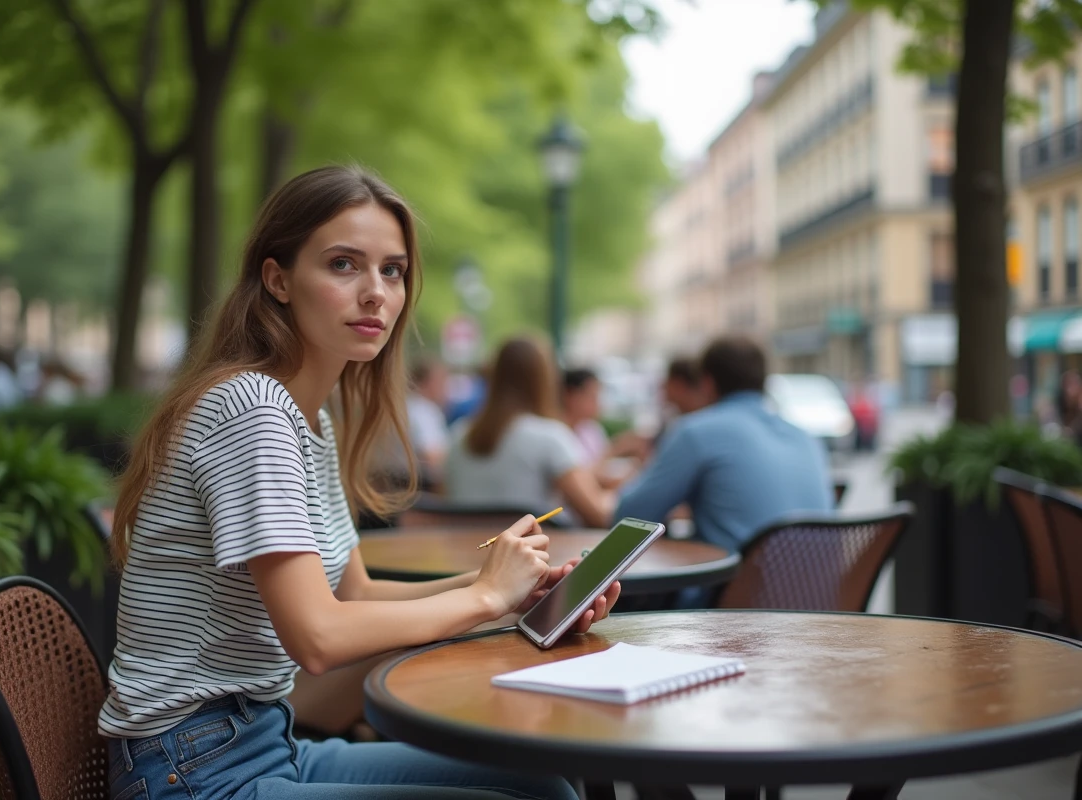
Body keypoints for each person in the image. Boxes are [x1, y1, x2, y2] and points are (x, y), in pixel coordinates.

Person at [102, 166, 615, 800]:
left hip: (264, 744)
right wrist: (481, 600)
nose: (375, 292)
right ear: (278, 279)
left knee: (540, 786)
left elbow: (356, 593)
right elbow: (319, 638)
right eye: (344, 265)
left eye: (392, 270)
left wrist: (511, 594)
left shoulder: (308, 418)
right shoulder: (251, 410)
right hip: (191, 769)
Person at [615, 335, 833, 560]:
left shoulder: (696, 432)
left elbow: (630, 518)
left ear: (707, 383)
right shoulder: (807, 439)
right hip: (819, 590)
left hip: (733, 591)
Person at [445, 337, 614, 528]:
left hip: (464, 552)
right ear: (545, 380)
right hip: (533, 554)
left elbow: (445, 500)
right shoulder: (550, 436)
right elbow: (597, 515)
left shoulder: (458, 434)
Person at [406, 357, 450, 489]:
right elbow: (433, 458)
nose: (446, 389)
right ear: (425, 383)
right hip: (422, 491)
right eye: (441, 382)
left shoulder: (406, 406)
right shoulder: (423, 411)